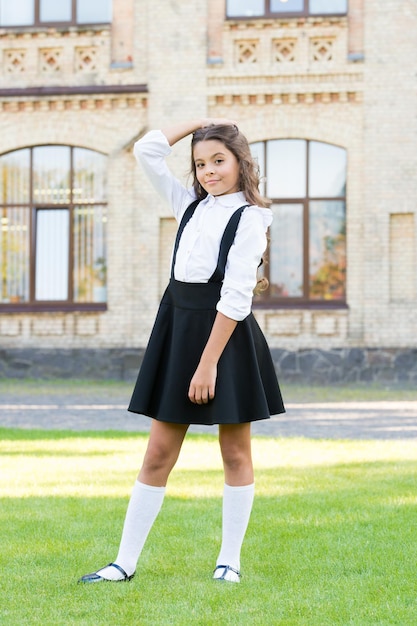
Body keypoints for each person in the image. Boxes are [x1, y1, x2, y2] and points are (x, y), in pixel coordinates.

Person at [78, 118, 285, 585]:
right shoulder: (188, 205)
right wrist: (199, 124)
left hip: (224, 339)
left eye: (219, 161)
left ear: (240, 163)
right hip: (177, 331)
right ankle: (123, 563)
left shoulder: (250, 218)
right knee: (156, 454)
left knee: (234, 452)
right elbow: (146, 151)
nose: (209, 171)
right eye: (201, 163)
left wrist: (208, 363)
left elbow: (236, 296)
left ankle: (229, 560)